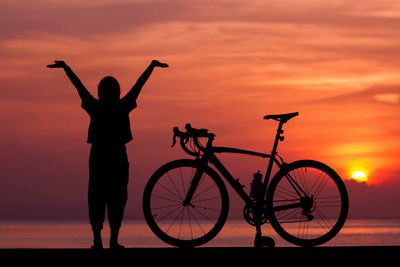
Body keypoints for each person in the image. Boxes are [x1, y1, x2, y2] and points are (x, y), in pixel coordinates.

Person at [47, 59, 168, 249]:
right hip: (109, 157)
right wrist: (67, 69)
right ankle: (106, 240)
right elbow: (138, 85)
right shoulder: (113, 106)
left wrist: (67, 69)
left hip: (107, 157)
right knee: (109, 197)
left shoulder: (105, 106)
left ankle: (103, 240)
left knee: (106, 197)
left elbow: (137, 85)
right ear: (116, 92)